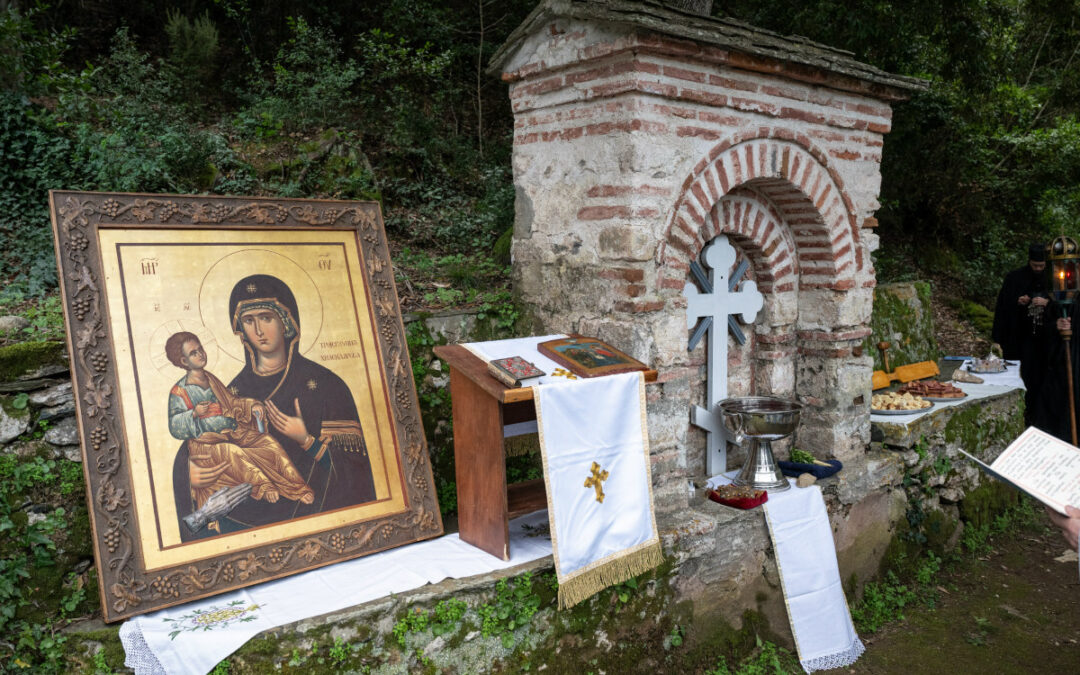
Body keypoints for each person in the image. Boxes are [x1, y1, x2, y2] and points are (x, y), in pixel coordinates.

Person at [172, 274, 376, 540]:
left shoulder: (327, 385)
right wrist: (191, 475)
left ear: (286, 322)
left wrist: (307, 441)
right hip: (242, 524)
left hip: (316, 520)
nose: (258, 330)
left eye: (266, 318)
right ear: (240, 329)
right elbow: (197, 441)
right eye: (248, 320)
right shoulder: (229, 390)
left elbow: (356, 471)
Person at [164, 331, 315, 513]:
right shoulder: (179, 392)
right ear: (183, 361)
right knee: (233, 452)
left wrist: (250, 406)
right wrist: (194, 413)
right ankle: (264, 486)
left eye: (200, 349)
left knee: (268, 444)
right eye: (194, 353)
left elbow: (231, 403)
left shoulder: (210, 379)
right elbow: (175, 426)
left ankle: (297, 488)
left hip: (231, 432)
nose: (201, 354)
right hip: (207, 445)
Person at [991, 243, 1049, 421]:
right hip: (1018, 335)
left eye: (1041, 266)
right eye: (1035, 266)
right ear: (1029, 262)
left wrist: (1045, 302)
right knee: (1015, 372)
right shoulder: (1014, 278)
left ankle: (1037, 414)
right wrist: (1020, 301)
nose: (1038, 269)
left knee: (1039, 376)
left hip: (1042, 338)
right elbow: (1003, 306)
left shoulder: (1052, 278)